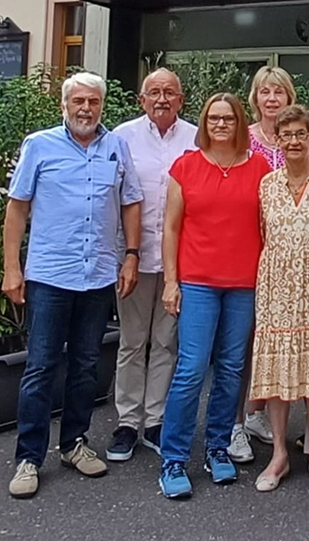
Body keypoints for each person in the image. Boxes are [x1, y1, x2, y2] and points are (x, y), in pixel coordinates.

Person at [3, 72, 143, 499]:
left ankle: (74, 443)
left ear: (102, 106)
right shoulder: (40, 145)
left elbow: (131, 201)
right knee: (41, 366)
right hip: (50, 276)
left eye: (93, 102)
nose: (86, 108)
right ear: (64, 105)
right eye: (78, 101)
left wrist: (132, 255)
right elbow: (17, 207)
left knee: (85, 365)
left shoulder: (116, 146)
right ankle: (29, 456)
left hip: (99, 275)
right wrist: (12, 267)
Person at [157, 93, 271, 499]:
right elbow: (170, 228)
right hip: (199, 282)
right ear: (204, 124)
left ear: (240, 123)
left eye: (228, 118)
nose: (221, 125)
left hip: (243, 283)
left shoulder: (259, 167)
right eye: (213, 118)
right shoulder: (185, 167)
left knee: (230, 369)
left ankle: (218, 448)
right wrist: (172, 281)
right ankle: (173, 457)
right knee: (191, 369)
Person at [249, 105, 309, 493]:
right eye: (285, 134)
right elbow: (261, 234)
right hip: (275, 286)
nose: (292, 141)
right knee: (277, 372)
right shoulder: (266, 184)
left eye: (299, 134)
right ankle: (279, 455)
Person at [107, 68, 197, 462]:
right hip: (135, 256)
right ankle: (127, 421)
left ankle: (156, 420)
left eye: (170, 93)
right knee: (131, 341)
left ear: (181, 99)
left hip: (181, 260)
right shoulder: (121, 137)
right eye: (154, 92)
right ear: (141, 99)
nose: (162, 99)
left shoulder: (197, 138)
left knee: (165, 342)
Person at [228, 66, 300, 461]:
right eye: (265, 92)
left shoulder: (302, 137)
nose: (272, 99)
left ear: (290, 98)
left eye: (279, 92)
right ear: (254, 98)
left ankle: (258, 412)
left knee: (273, 338)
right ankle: (234, 424)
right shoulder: (243, 140)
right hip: (246, 247)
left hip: (288, 256)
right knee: (243, 338)